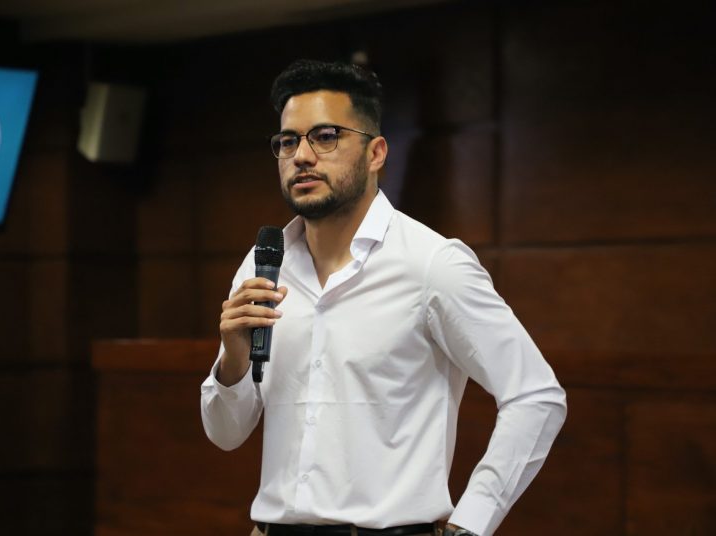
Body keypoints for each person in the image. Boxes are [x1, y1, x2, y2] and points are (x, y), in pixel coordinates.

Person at [201, 59, 567, 536]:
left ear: (375, 153)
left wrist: (471, 523)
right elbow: (226, 435)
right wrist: (233, 361)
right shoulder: (263, 265)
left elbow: (536, 395)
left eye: (326, 136)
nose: (302, 156)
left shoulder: (431, 264)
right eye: (288, 141)